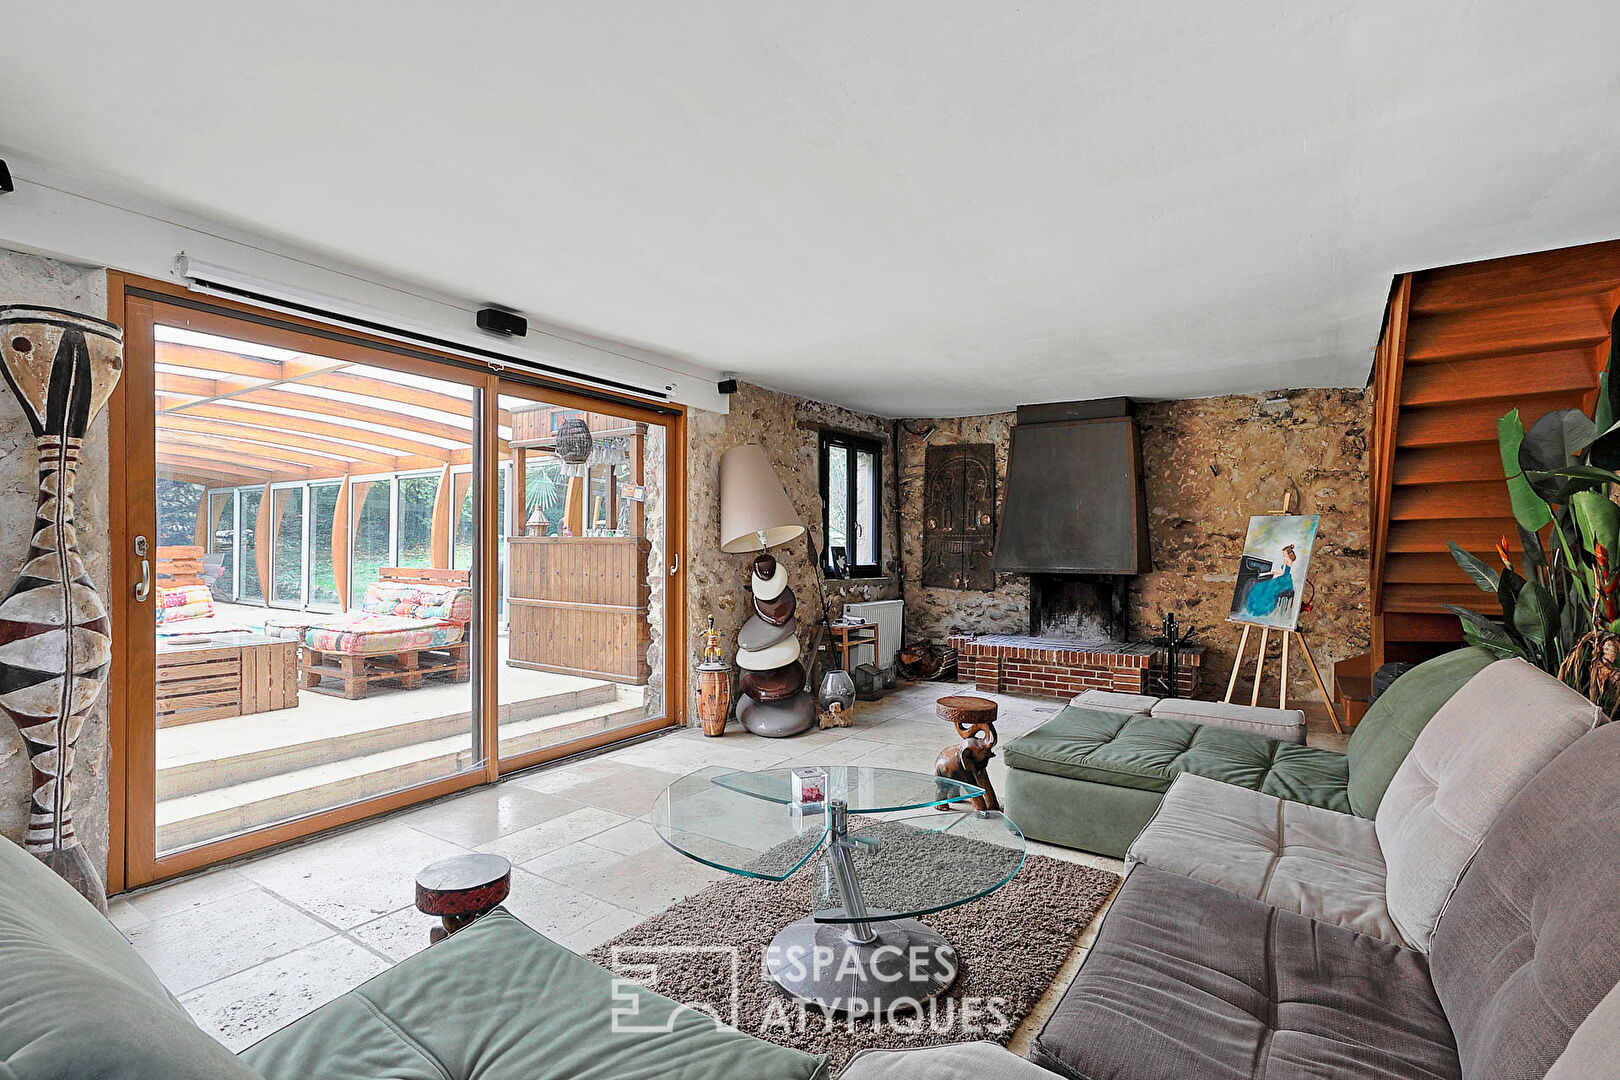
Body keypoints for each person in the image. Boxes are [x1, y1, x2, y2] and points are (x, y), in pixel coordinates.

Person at [1243, 544, 1297, 618]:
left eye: (1284, 552)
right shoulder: (1291, 560)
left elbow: (1282, 573)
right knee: (1267, 587)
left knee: (1261, 587)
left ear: (1287, 552)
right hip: (1287, 580)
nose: (1283, 553)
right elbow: (1286, 572)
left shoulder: (1286, 560)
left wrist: (1273, 572)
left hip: (1283, 579)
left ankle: (1258, 608)